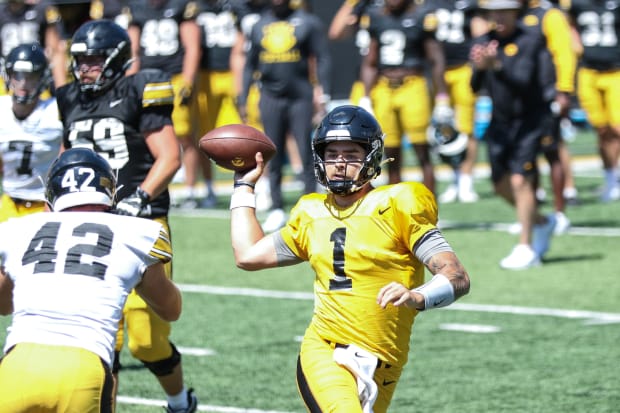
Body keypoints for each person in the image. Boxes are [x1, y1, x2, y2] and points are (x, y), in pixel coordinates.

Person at [228, 105, 470, 413]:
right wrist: (244, 186)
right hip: (327, 350)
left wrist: (416, 296)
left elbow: (457, 277)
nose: (340, 164)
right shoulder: (310, 213)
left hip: (385, 363)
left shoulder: (398, 205)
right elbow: (248, 255)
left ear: (372, 157)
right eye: (332, 155)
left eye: (351, 155)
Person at [54, 20, 197, 413]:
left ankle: (180, 401)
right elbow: (66, 158)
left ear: (116, 60)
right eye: (81, 60)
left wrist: (140, 196)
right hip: (92, 227)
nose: (86, 68)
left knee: (147, 340)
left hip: (142, 222)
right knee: (102, 339)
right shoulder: (69, 99)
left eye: (95, 60)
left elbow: (170, 156)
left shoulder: (138, 89)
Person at [0, 147, 182, 412]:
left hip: (17, 364)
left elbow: (3, 305)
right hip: (82, 366)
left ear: (50, 198)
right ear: (111, 192)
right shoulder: (139, 232)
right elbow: (170, 309)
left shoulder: (16, 229)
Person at [470, 0, 557, 270]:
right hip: (500, 122)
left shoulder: (531, 40)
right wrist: (481, 67)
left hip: (529, 121)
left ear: (515, 12)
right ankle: (542, 222)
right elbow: (475, 86)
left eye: (504, 11)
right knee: (500, 186)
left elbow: (526, 83)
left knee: (521, 181)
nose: (499, 16)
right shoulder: (485, 41)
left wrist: (497, 66)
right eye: (494, 12)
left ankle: (525, 245)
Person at [238, 0, 332, 232]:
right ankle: (277, 207)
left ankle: (311, 203)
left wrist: (324, 91)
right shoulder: (258, 23)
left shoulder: (308, 21)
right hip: (269, 95)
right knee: (272, 151)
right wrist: (243, 95)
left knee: (305, 151)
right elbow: (250, 64)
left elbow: (323, 57)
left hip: (300, 94)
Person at [360, 0, 449, 194]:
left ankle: (429, 209)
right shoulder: (376, 16)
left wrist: (442, 96)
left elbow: (436, 58)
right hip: (383, 86)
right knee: (390, 155)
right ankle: (397, 210)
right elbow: (370, 61)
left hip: (413, 84)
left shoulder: (421, 15)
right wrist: (366, 96)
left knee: (422, 150)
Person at [127, 0, 202, 211]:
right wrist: (130, 82)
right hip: (146, 81)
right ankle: (150, 188)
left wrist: (188, 80)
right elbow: (132, 51)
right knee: (146, 137)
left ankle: (190, 190)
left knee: (185, 135)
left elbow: (192, 47)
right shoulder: (136, 8)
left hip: (174, 78)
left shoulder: (180, 5)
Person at [520, 0, 578, 234]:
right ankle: (531, 212)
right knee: (525, 158)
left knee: (551, 151)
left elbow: (564, 52)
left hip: (545, 95)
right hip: (520, 98)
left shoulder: (549, 15)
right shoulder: (513, 14)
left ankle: (559, 211)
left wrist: (564, 90)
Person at [183, 0, 244, 209]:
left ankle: (250, 186)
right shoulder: (193, 7)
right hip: (204, 76)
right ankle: (209, 187)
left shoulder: (236, 6)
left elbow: (243, 37)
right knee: (204, 136)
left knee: (244, 133)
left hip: (232, 72)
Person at [561, 0, 620, 202]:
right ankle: (611, 179)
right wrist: (574, 38)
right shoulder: (578, 4)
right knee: (602, 130)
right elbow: (567, 23)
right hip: (589, 71)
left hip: (615, 71)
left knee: (618, 128)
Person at [427, 0, 485, 204]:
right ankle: (454, 179)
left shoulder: (469, 4)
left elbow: (480, 32)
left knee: (466, 128)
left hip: (463, 69)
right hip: (438, 72)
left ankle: (466, 180)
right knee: (444, 130)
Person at [0, 42, 63, 222]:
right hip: (8, 203)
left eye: (31, 77)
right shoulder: (2, 109)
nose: (23, 83)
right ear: (8, 76)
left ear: (42, 78)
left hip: (44, 205)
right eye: (17, 76)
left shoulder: (55, 111)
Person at [0, 0, 67, 91]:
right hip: (6, 78)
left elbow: (56, 52)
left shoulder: (43, 8)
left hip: (36, 78)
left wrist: (61, 89)